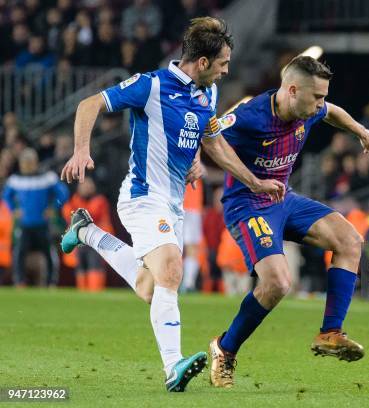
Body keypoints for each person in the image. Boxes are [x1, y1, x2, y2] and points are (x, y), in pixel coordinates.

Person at [58, 17, 284, 392]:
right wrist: (82, 150)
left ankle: (86, 232)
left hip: (173, 204)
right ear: (202, 62)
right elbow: (89, 103)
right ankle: (172, 367)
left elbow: (212, 142)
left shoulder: (206, 94)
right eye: (224, 62)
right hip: (143, 195)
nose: (227, 70)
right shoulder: (151, 85)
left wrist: (253, 180)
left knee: (151, 287)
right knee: (171, 270)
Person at [208, 56, 369, 387]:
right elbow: (210, 139)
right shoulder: (249, 116)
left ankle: (330, 333)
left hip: (284, 199)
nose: (320, 103)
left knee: (350, 241)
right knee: (277, 283)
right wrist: (252, 181)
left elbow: (332, 112)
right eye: (316, 96)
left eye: (322, 96)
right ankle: (225, 349)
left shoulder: (312, 109)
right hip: (248, 204)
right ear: (291, 90)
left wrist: (362, 131)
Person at [2, 148, 69, 287]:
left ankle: (51, 282)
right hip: (24, 224)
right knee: (19, 253)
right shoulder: (15, 180)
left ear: (35, 162)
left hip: (42, 224)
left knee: (48, 253)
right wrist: (13, 209)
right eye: (23, 162)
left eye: (28, 162)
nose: (26, 165)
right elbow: (6, 196)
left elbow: (63, 193)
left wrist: (54, 208)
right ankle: (19, 281)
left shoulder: (47, 178)